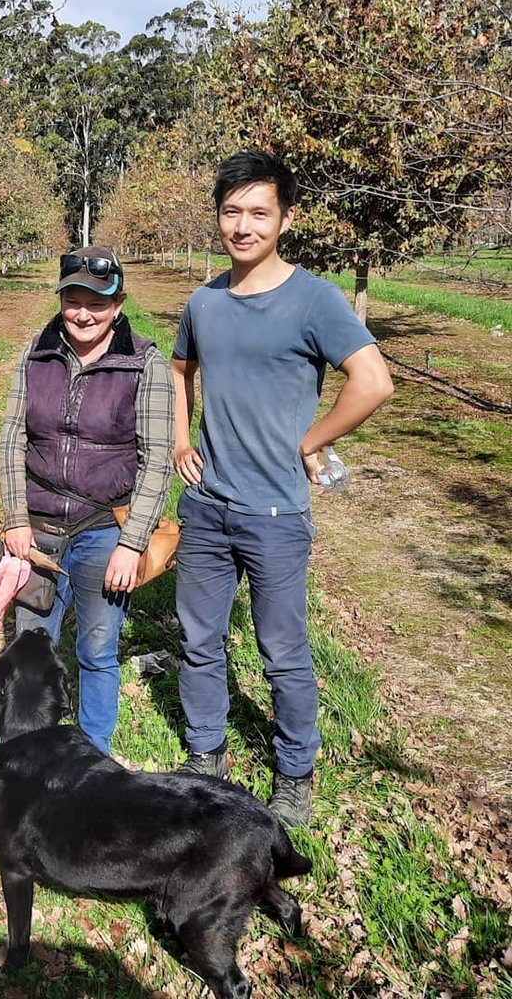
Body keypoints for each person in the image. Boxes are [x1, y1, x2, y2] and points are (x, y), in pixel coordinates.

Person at [171, 150, 394, 827]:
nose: (242, 225)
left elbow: (374, 382)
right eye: (231, 210)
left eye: (258, 212)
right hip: (208, 506)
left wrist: (313, 440)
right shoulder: (204, 300)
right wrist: (183, 441)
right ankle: (205, 753)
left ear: (285, 219)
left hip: (275, 513)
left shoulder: (315, 300)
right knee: (199, 639)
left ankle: (293, 771)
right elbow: (179, 370)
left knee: (283, 653)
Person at [0, 246, 175, 755]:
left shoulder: (145, 363)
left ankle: (93, 754)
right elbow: (12, 438)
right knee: (32, 647)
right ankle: (29, 751)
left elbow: (157, 459)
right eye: (73, 299)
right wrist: (15, 519)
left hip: (103, 526)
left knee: (98, 647)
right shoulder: (37, 353)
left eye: (96, 302)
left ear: (117, 304)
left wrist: (132, 542)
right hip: (40, 529)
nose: (83, 313)